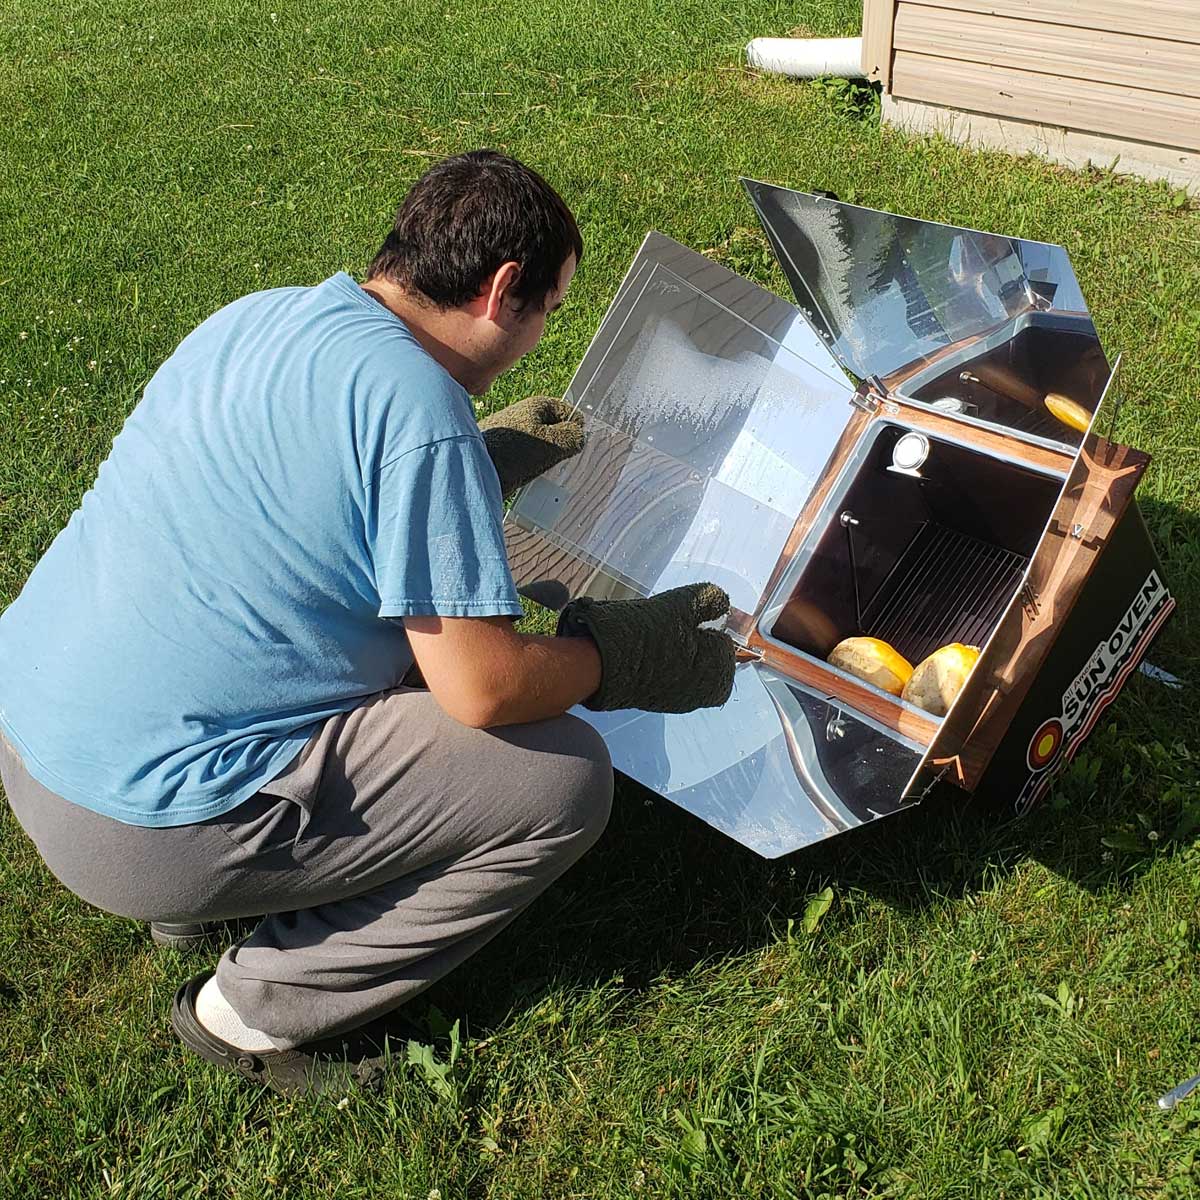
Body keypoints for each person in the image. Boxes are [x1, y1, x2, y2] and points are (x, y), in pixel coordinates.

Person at [0, 149, 735, 1095]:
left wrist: (470, 459)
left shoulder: (261, 316)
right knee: (562, 784)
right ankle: (250, 1014)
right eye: (550, 307)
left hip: (34, 735)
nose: (545, 332)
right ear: (501, 289)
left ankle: (193, 897)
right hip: (139, 829)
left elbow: (286, 506)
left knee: (365, 647)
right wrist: (616, 657)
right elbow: (485, 688)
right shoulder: (419, 412)